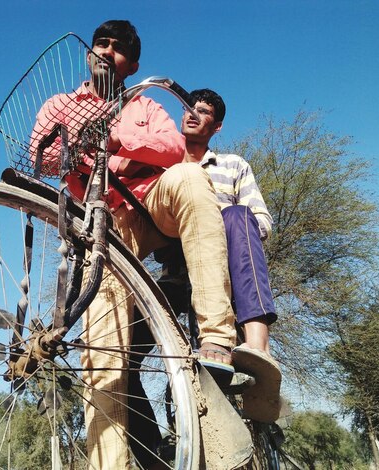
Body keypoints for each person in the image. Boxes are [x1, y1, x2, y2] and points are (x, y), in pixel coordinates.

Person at [31, 21, 237, 468]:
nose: (107, 52)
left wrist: (118, 137)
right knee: (102, 346)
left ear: (133, 64)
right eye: (101, 43)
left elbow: (171, 149)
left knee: (189, 176)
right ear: (90, 52)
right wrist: (78, 138)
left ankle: (218, 339)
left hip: (150, 206)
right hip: (101, 220)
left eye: (118, 48)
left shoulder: (145, 104)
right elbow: (40, 157)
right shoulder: (60, 104)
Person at [178, 88, 282, 423]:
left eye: (204, 111)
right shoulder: (166, 168)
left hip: (230, 254)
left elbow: (261, 221)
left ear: (217, 125)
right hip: (181, 262)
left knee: (238, 216)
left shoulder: (232, 165)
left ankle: (257, 350)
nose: (193, 114)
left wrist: (219, 225)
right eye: (188, 108)